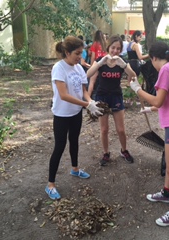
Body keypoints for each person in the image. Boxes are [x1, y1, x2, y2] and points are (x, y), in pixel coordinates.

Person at [129, 41, 169, 227]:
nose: (152, 65)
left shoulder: (165, 70)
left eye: (151, 61)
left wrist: (138, 90)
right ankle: (166, 193)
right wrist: (151, 109)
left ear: (154, 58)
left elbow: (160, 100)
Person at [45, 36, 103, 200]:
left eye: (82, 53)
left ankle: (75, 169)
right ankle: (50, 184)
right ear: (67, 52)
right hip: (62, 114)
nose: (80, 57)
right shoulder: (59, 68)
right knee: (60, 146)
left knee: (75, 141)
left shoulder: (78, 68)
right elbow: (63, 95)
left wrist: (90, 101)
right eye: (77, 53)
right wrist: (86, 105)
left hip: (76, 112)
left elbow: (83, 90)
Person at [87, 35, 137, 166]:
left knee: (121, 129)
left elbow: (133, 75)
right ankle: (106, 153)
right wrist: (100, 62)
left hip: (116, 96)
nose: (115, 51)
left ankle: (124, 150)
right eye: (113, 48)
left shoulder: (122, 61)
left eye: (118, 49)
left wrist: (124, 65)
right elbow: (87, 74)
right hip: (102, 97)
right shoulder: (100, 60)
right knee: (104, 129)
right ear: (108, 47)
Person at [88, 30, 107, 97]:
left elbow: (93, 57)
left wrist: (91, 66)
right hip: (104, 64)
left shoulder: (95, 44)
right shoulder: (105, 44)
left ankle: (88, 98)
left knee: (92, 82)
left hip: (97, 63)